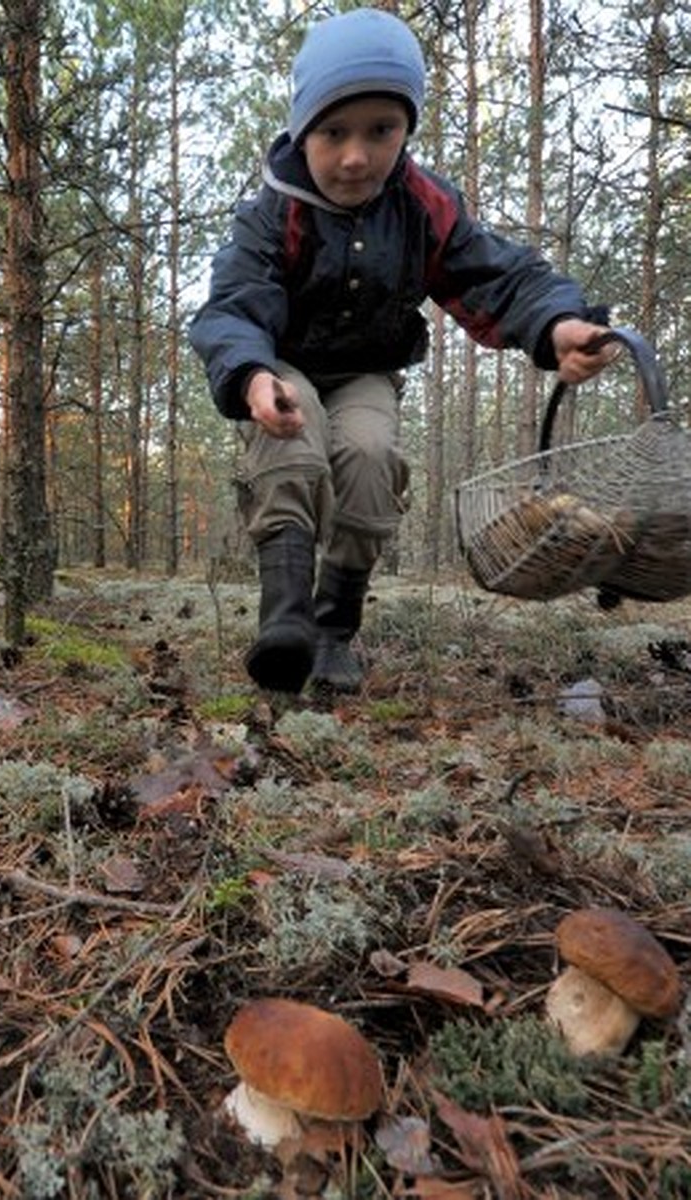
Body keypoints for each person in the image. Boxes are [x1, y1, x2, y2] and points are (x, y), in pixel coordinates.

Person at [189, 7, 618, 695]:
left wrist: (559, 324)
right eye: (334, 133)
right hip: (283, 362)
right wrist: (250, 375)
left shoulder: (423, 206)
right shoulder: (274, 210)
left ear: (406, 130)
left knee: (368, 461)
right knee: (293, 452)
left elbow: (498, 276)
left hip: (364, 372)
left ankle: (333, 632)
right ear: (304, 130)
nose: (356, 156)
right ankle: (286, 626)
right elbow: (235, 303)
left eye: (380, 131)